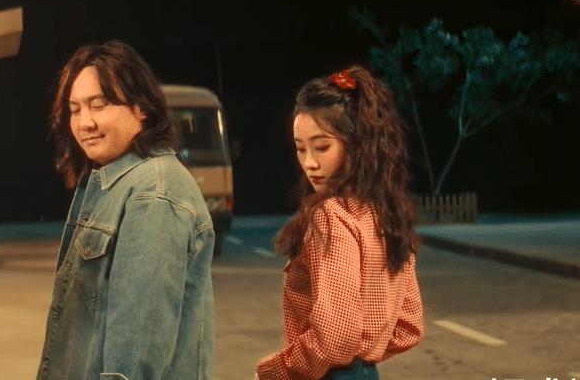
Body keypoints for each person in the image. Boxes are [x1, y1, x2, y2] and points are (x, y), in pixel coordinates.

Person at [37, 40, 215, 380]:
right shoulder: (113, 181)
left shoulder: (153, 194)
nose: (85, 122)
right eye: (75, 109)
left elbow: (136, 354)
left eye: (99, 105)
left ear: (142, 108)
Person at [256, 67, 424, 380]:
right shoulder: (385, 212)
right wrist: (363, 358)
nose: (309, 163)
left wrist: (276, 371)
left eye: (322, 147)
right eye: (300, 148)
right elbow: (407, 326)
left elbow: (336, 337)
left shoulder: (332, 215)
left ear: (356, 145)